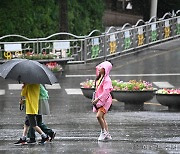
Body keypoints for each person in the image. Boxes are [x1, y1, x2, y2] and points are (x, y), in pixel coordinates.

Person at [91, 61, 113, 141]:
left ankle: (103, 132)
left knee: (99, 116)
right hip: (100, 100)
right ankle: (107, 133)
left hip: (105, 101)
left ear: (105, 69)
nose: (99, 68)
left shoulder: (107, 80)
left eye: (101, 67)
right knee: (102, 117)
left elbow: (106, 92)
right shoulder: (99, 78)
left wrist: (97, 99)